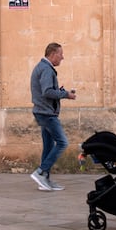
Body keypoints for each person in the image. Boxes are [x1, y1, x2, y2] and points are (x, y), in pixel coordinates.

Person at [30, 43, 76, 191]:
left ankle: (44, 181)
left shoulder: (43, 68)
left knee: (49, 146)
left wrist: (59, 91)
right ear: (53, 54)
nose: (63, 57)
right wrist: (66, 94)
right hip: (46, 114)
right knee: (62, 143)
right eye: (60, 54)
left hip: (43, 112)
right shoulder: (46, 69)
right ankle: (41, 172)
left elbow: (48, 91)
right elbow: (47, 92)